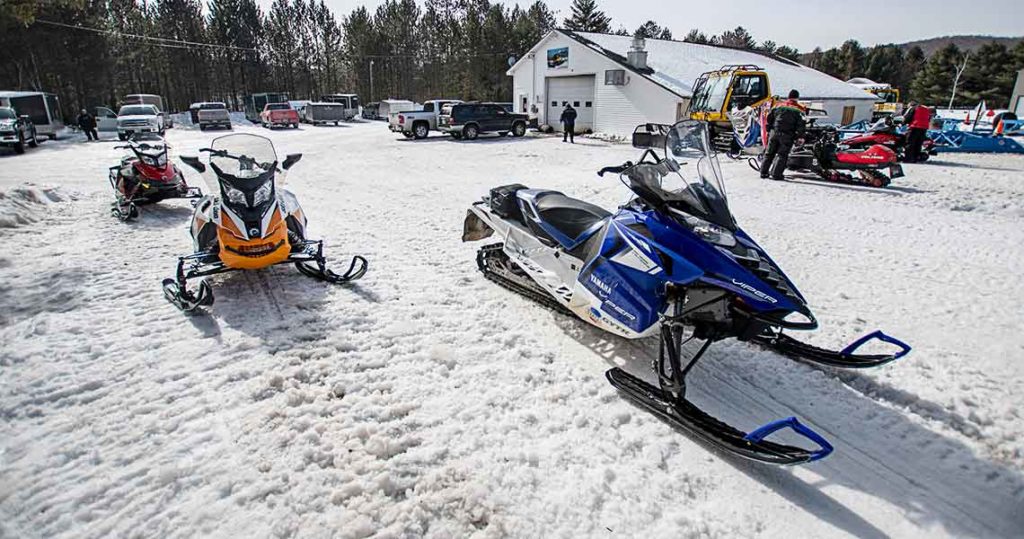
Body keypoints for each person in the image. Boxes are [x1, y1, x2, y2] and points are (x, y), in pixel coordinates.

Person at [759, 89, 806, 181]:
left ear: (788, 97)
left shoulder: (778, 105)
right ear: (797, 98)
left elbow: (769, 118)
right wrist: (800, 136)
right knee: (782, 154)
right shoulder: (799, 109)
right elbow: (801, 124)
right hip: (787, 134)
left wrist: (769, 130)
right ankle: (776, 174)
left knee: (769, 153)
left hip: (774, 132)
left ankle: (763, 172)